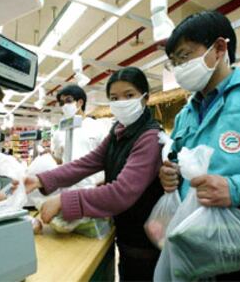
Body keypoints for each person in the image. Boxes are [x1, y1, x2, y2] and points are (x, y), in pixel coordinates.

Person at [159, 10, 240, 280]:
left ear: (219, 48)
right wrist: (171, 174)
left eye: (184, 56)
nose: (179, 68)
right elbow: (180, 161)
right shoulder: (185, 115)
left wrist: (236, 188)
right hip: (195, 254)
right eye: (173, 62)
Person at [25, 67, 163, 281]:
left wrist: (64, 200)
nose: (121, 102)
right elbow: (86, 163)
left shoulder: (150, 137)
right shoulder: (119, 131)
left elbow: (121, 193)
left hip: (148, 242)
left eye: (129, 95)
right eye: (114, 98)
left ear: (145, 97)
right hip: (127, 235)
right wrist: (40, 179)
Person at [51, 84, 109, 189]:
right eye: (61, 102)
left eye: (68, 101)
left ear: (80, 102)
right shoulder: (59, 131)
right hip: (67, 187)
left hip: (93, 187)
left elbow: (109, 156)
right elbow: (59, 160)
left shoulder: (98, 127)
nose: (64, 105)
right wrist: (49, 156)